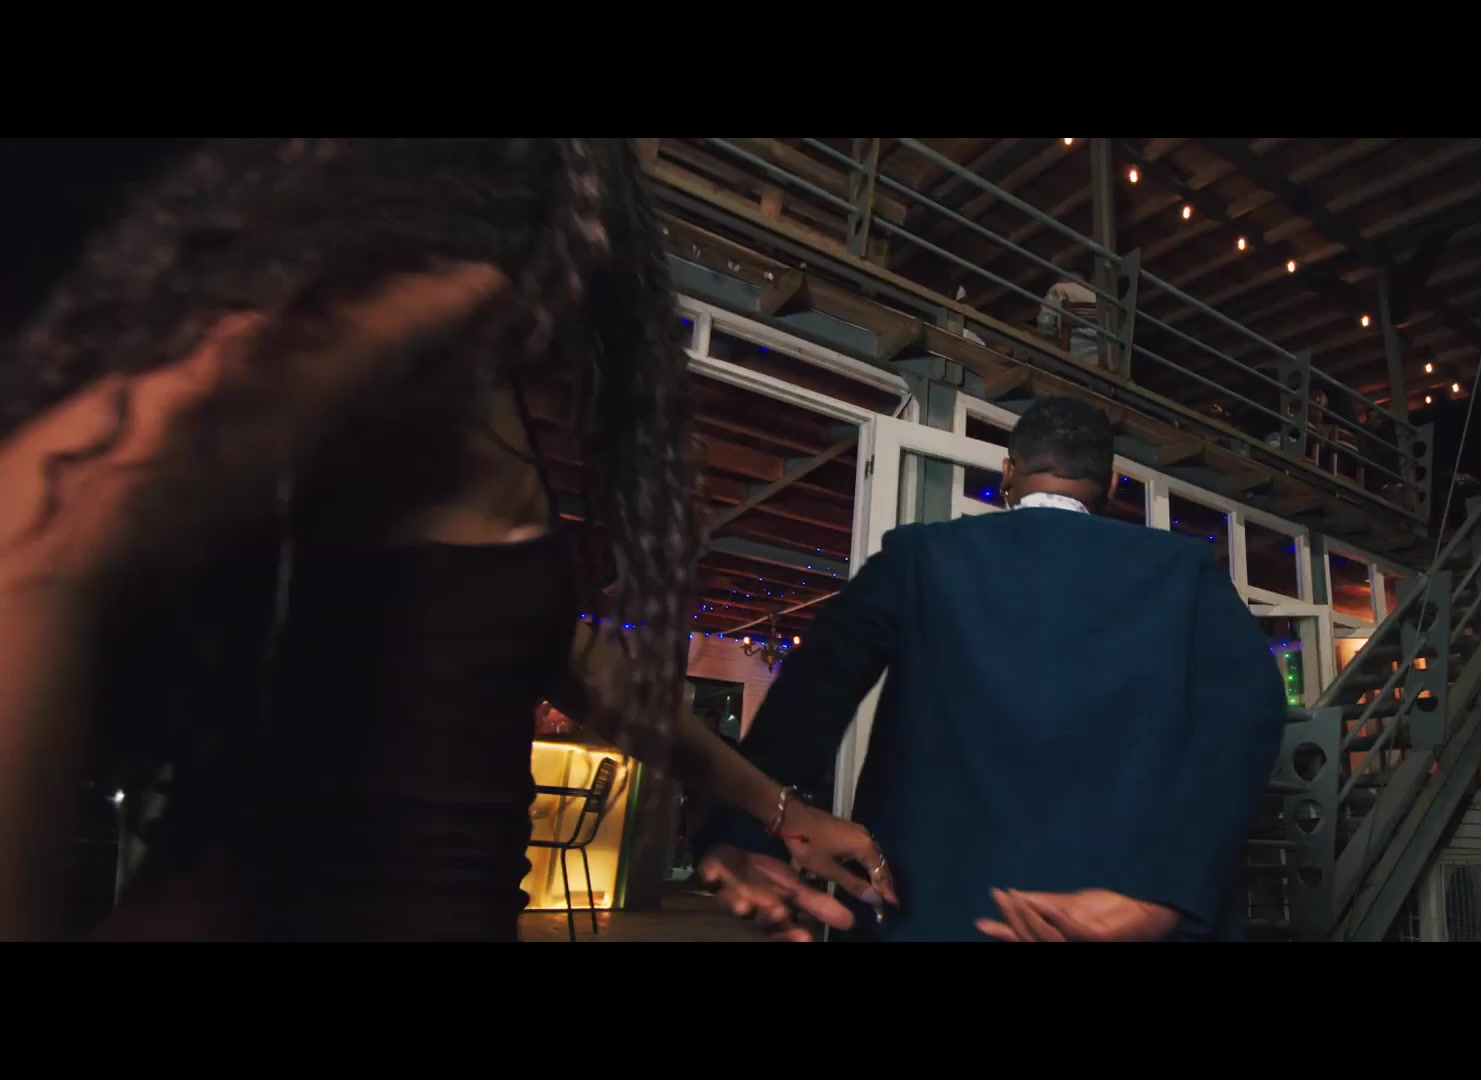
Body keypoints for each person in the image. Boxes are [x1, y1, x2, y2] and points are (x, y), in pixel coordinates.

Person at [0, 139, 885, 941]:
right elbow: (43, 535)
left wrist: (781, 813)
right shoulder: (408, 298)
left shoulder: (460, 373)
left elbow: (563, 661)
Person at [696, 397, 1288, 941]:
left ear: (1007, 473)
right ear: (1111, 484)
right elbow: (1250, 712)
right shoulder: (1185, 571)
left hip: (929, 912)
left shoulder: (919, 556)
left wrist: (751, 829)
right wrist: (1169, 895)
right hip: (1116, 917)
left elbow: (814, 687)